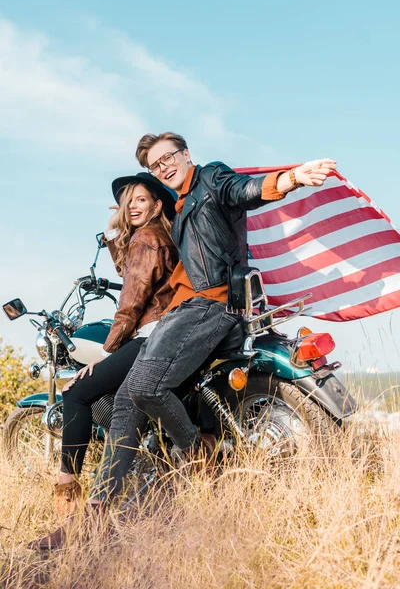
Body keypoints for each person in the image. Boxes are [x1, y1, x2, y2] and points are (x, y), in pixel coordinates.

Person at [124, 132, 337, 456]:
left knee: (143, 387)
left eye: (167, 157)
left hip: (208, 305)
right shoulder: (180, 212)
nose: (163, 167)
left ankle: (197, 453)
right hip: (196, 307)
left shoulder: (210, 178)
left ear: (185, 154)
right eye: (155, 165)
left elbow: (242, 190)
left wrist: (292, 178)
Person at [32, 172, 178, 549]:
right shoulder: (159, 237)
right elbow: (127, 273)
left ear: (157, 205)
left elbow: (130, 303)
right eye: (129, 199)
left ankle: (66, 489)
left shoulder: (147, 239)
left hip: (150, 333)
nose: (132, 205)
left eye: (141, 199)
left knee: (77, 392)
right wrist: (115, 234)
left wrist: (109, 351)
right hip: (165, 330)